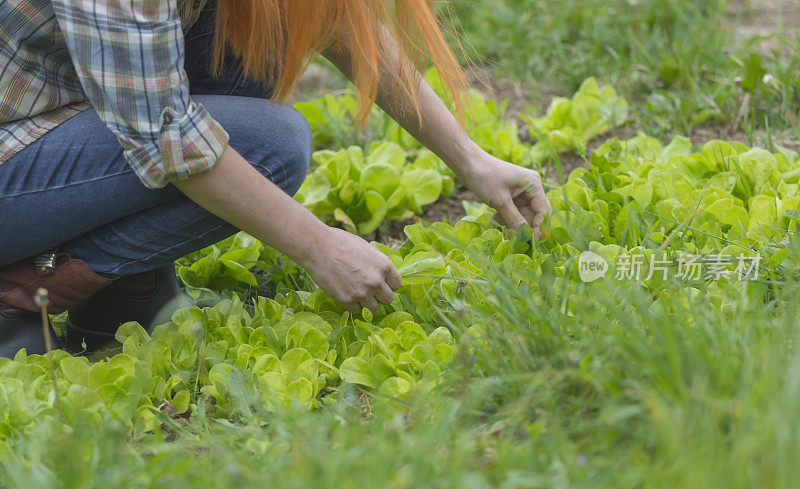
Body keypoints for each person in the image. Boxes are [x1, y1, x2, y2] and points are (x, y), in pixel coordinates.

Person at [0, 0, 551, 358]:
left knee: (260, 31)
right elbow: (167, 136)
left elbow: (334, 17)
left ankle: (119, 293)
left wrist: (473, 162)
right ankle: (19, 292)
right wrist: (318, 247)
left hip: (55, 118)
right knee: (270, 148)